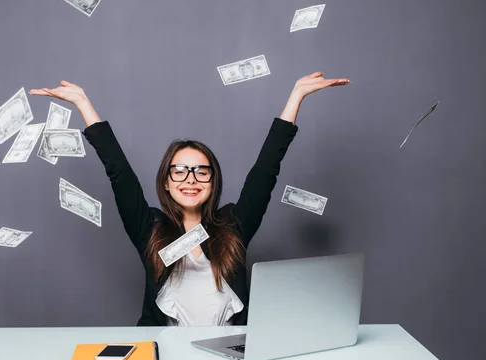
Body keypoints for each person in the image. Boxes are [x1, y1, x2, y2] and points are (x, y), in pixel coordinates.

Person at [30, 71, 350, 326]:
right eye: (179, 171)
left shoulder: (233, 226)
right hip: (166, 359)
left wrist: (296, 96)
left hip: (230, 359)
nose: (191, 179)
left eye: (201, 171)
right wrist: (83, 103)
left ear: (213, 181)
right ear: (166, 183)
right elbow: (120, 174)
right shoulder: (149, 229)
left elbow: (266, 171)